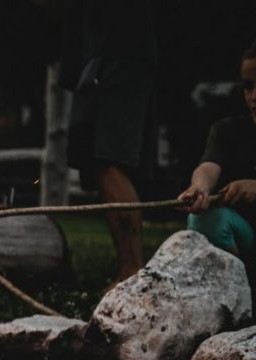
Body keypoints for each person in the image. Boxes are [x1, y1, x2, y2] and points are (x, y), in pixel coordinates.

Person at [61, 0, 157, 285]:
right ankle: (127, 267)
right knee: (97, 160)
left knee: (109, 160)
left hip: (118, 55)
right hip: (99, 54)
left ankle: (132, 270)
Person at [179, 41, 256, 265]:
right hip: (247, 237)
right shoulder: (227, 130)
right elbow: (208, 166)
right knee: (205, 219)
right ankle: (239, 285)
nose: (253, 96)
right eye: (248, 86)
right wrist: (200, 187)